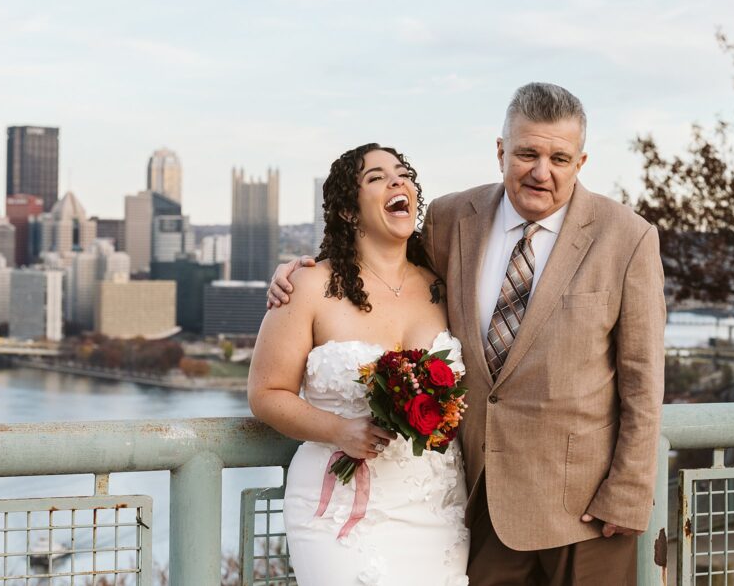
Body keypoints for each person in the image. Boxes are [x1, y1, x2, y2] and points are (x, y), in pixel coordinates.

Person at [269, 83, 666, 586]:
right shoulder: (450, 218)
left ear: (580, 162)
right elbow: (381, 268)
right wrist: (299, 270)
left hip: (585, 509)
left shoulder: (627, 237)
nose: (541, 171)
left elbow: (643, 380)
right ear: (501, 151)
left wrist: (629, 491)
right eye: (527, 153)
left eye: (559, 158)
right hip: (476, 502)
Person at [248, 143, 470, 586]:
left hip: (435, 506)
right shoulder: (307, 285)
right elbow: (265, 395)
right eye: (376, 177)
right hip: (338, 510)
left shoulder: (444, 287)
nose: (396, 181)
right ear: (349, 212)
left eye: (403, 173)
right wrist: (339, 430)